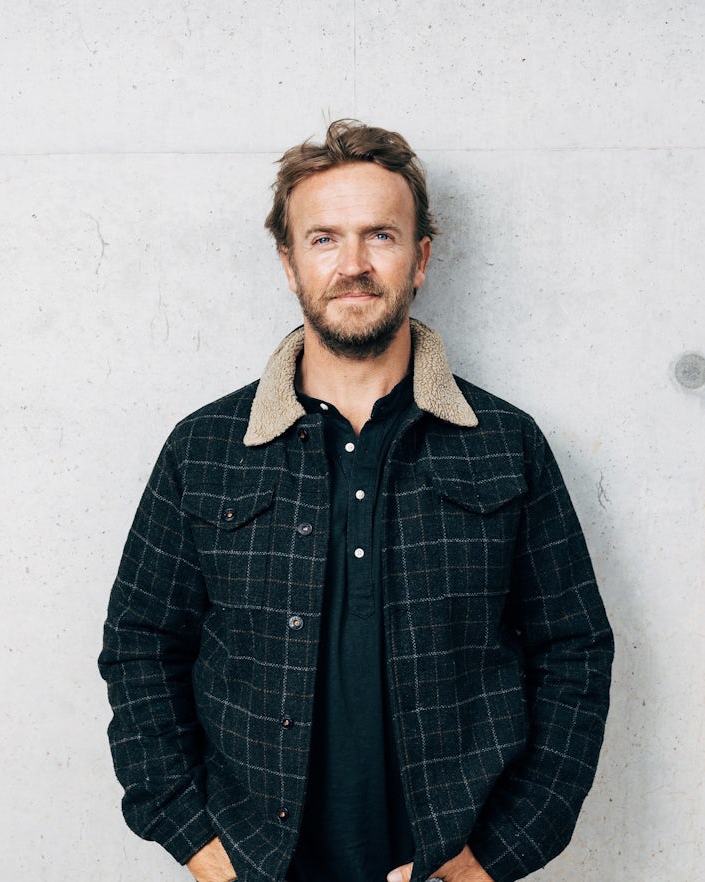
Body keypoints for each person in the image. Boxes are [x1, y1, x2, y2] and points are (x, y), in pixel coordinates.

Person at [99, 119, 613, 882]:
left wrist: (491, 859)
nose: (354, 265)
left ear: (421, 258)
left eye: (380, 235)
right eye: (324, 238)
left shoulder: (506, 444)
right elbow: (141, 645)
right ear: (287, 261)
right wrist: (198, 844)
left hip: (447, 862)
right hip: (257, 862)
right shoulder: (203, 449)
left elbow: (575, 651)